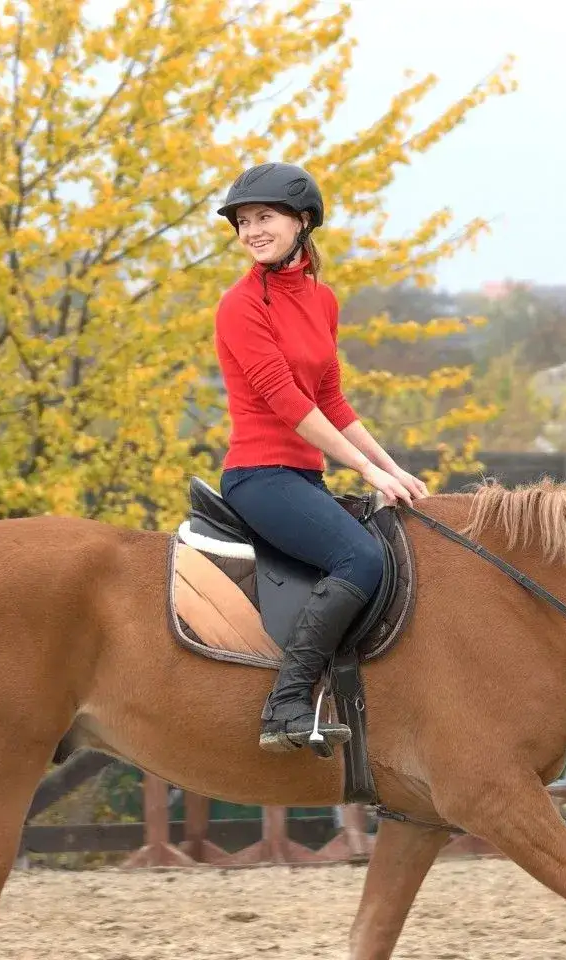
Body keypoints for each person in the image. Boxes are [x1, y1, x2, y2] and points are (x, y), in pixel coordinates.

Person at [213, 161, 430, 754]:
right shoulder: (239, 305)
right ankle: (285, 706)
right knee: (360, 559)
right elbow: (286, 402)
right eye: (244, 221)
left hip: (303, 477)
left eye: (266, 218)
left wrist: (392, 467)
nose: (252, 230)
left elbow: (329, 397)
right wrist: (365, 471)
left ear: (302, 222)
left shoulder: (320, 299)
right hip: (259, 476)